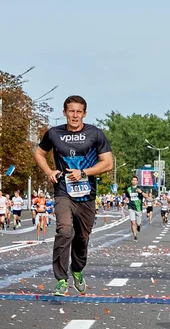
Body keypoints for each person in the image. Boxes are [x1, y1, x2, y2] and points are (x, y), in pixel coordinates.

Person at [34, 95, 113, 296]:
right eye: (71, 111)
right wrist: (49, 172)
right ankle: (61, 279)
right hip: (63, 192)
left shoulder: (95, 134)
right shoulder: (54, 133)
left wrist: (85, 172)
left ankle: (77, 269)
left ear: (84, 114)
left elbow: (108, 163)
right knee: (64, 230)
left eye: (79, 111)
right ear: (64, 112)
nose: (75, 115)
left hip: (86, 194)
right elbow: (38, 153)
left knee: (81, 238)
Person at [124, 176, 151, 242]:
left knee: (138, 223)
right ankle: (135, 236)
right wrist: (125, 201)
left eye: (135, 180)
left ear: (137, 181)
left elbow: (147, 196)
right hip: (131, 207)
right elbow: (127, 197)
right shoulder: (128, 189)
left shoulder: (140, 188)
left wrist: (141, 192)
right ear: (131, 181)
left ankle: (138, 226)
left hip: (138, 208)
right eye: (133, 180)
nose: (134, 181)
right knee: (133, 222)